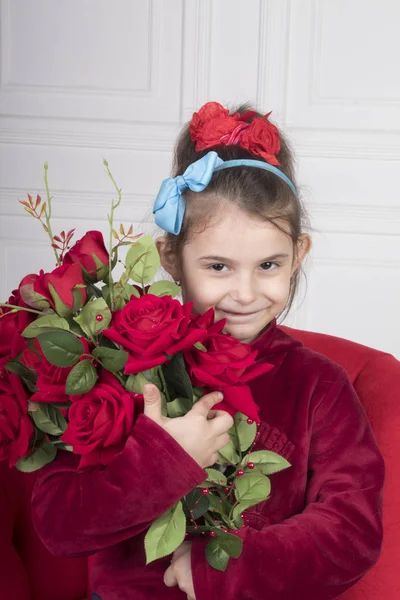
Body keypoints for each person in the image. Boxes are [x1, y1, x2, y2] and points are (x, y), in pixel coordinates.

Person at [32, 102, 384, 600]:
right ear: (172, 257)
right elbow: (59, 524)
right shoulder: (113, 364)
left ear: (298, 255)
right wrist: (164, 458)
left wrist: (227, 570)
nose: (244, 292)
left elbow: (352, 530)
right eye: (218, 267)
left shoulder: (318, 385)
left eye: (268, 265)